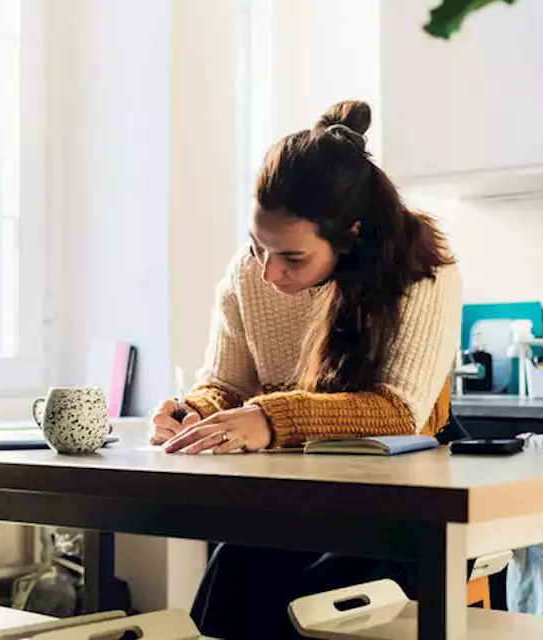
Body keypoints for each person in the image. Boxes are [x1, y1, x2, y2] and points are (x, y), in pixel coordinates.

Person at [149, 100, 462, 638]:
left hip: (408, 497)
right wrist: (192, 412)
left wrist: (271, 419)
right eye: (257, 247)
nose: (268, 271)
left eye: (292, 258)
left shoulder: (419, 268)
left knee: (309, 599)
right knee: (234, 573)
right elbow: (226, 384)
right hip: (302, 488)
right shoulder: (250, 274)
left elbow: (399, 411)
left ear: (352, 235)